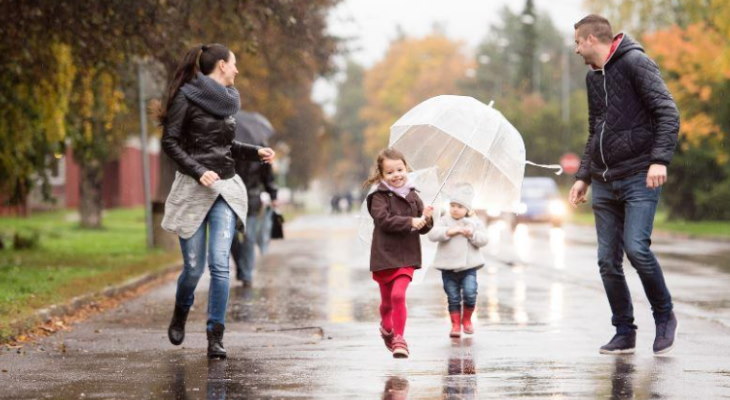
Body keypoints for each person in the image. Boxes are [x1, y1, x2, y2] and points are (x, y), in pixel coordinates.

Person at [568, 15, 679, 355]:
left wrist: (659, 159)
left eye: (577, 42)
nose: (575, 49)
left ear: (590, 39)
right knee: (606, 261)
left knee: (637, 249)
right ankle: (624, 330)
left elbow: (667, 111)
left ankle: (664, 316)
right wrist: (583, 176)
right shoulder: (593, 78)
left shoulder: (635, 62)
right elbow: (595, 130)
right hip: (604, 179)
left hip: (637, 175)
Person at [159, 43, 275, 359]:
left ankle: (215, 335)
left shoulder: (228, 102)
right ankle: (181, 311)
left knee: (220, 264)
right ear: (222, 65)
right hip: (193, 190)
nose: (237, 70)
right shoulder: (185, 96)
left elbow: (223, 146)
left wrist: (254, 152)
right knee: (194, 269)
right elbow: (169, 142)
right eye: (234, 64)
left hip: (224, 189)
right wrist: (198, 171)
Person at [364, 148, 434, 358]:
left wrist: (427, 218)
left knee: (398, 295)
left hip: (407, 255)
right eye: (390, 172)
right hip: (384, 255)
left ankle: (400, 339)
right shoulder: (378, 196)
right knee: (386, 302)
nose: (396, 175)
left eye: (400, 169)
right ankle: (387, 329)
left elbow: (423, 229)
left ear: (406, 168)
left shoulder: (414, 195)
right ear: (381, 174)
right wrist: (410, 221)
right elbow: (382, 220)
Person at [428, 183, 488, 338]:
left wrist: (471, 235)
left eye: (460, 206)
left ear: (467, 209)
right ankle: (455, 324)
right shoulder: (444, 220)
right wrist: (449, 231)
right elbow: (432, 235)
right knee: (453, 297)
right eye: (452, 205)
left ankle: (466, 320)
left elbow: (484, 239)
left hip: (469, 267)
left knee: (470, 293)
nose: (455, 209)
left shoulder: (474, 222)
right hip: (448, 267)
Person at [230, 111, 278, 288]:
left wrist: (273, 195)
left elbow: (268, 176)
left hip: (251, 199)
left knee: (249, 237)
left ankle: (247, 274)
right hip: (230, 197)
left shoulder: (262, 149)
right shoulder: (229, 148)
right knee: (232, 237)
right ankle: (242, 269)